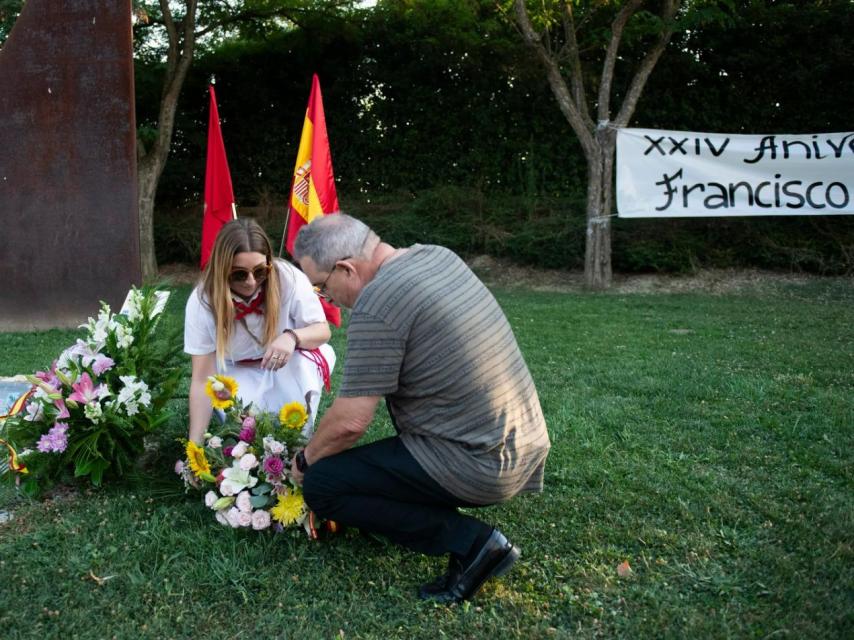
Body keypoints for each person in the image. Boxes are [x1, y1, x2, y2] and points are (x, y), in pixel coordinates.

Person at [290, 213, 550, 604]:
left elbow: (350, 423)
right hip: (521, 442)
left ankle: (475, 544)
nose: (324, 299)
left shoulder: (378, 302)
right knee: (369, 467)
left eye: (321, 287)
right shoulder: (436, 255)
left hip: (479, 462)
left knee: (323, 483)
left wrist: (304, 461)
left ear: (347, 269)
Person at [184, 218, 334, 444]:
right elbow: (202, 379)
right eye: (239, 274)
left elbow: (322, 331)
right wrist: (194, 446)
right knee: (249, 429)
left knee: (292, 421)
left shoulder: (288, 277)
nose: (251, 282)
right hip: (237, 370)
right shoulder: (203, 300)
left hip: (287, 361)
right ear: (221, 269)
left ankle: (301, 443)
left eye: (260, 271)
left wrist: (291, 336)